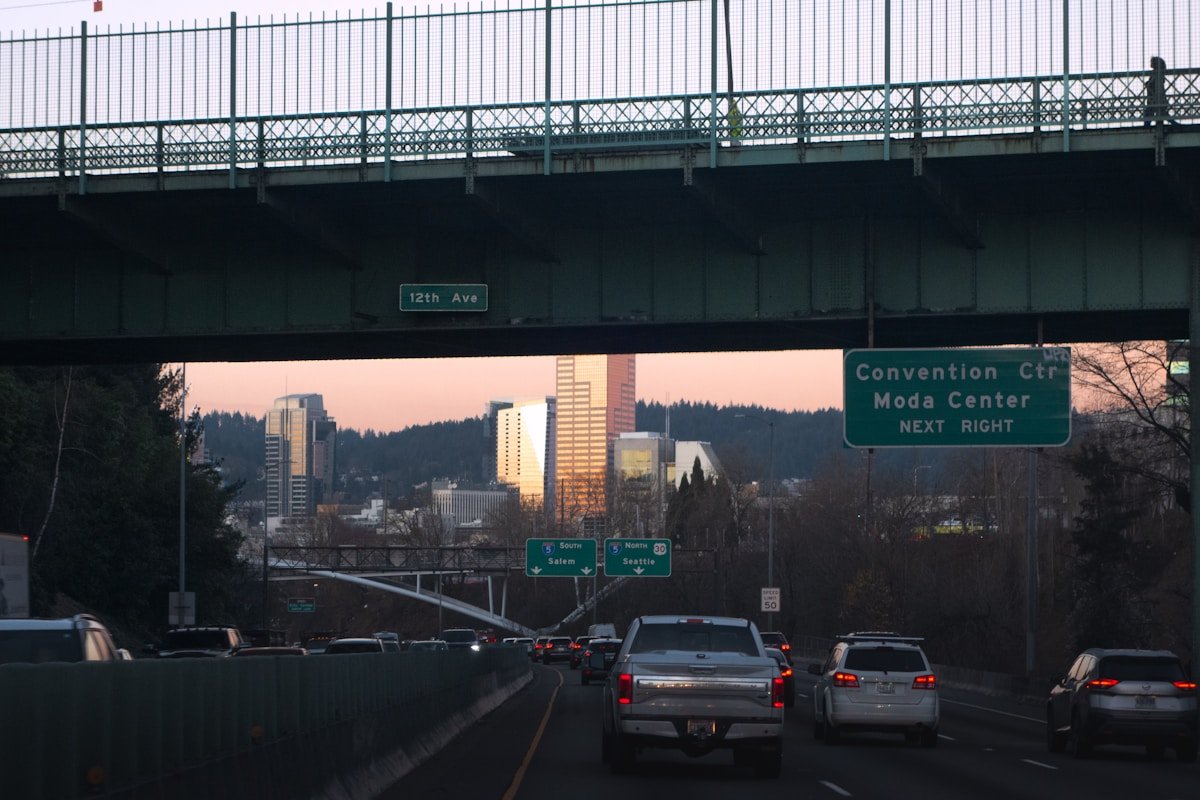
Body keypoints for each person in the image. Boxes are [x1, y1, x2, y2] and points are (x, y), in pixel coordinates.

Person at [1143, 56, 1178, 127]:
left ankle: (1146, 128)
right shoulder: (1159, 74)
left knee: (1149, 113)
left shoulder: (1155, 74)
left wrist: (1147, 83)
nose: (1150, 63)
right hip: (1156, 98)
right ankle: (1175, 124)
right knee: (1161, 112)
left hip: (1154, 98)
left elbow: (1152, 85)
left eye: (1152, 62)